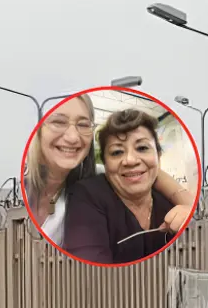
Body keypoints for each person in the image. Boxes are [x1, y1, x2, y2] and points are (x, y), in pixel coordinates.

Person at [25, 96, 194, 247]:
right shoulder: (21, 188)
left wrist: (188, 204)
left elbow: (150, 172)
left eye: (83, 124)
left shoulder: (99, 173)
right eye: (58, 122)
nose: (72, 137)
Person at [63, 108, 188, 264]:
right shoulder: (87, 196)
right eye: (116, 152)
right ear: (105, 163)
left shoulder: (170, 204)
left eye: (142, 148)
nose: (130, 160)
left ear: (158, 156)